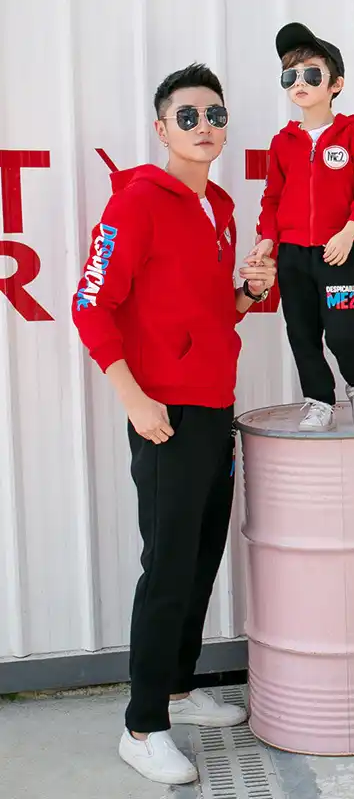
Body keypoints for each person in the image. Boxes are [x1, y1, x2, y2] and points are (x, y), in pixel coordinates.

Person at [71, 64, 276, 785]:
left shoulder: (219, 206)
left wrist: (248, 291)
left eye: (214, 114)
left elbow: (214, 314)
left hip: (213, 408)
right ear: (162, 129)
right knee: (166, 568)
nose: (204, 127)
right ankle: (143, 724)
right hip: (164, 415)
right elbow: (90, 306)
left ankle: (180, 689)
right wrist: (133, 397)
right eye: (187, 117)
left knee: (199, 556)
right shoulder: (137, 204)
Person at [247, 22, 354, 432]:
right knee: (302, 332)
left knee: (342, 330)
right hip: (291, 255)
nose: (300, 83)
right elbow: (272, 198)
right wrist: (268, 239)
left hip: (336, 251)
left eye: (312, 74)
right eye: (290, 75)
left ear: (335, 84)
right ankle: (319, 400)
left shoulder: (352, 132)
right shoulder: (283, 142)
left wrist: (350, 230)